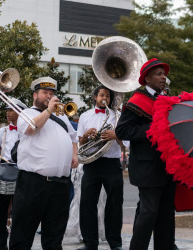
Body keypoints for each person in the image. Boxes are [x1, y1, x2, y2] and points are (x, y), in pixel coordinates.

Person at [9, 76, 79, 250]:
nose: (48, 96)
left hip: (60, 183)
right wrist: (48, 110)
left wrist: (75, 154)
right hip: (33, 182)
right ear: (35, 95)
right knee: (23, 233)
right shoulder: (26, 113)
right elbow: (31, 128)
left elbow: (73, 137)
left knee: (55, 235)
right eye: (44, 93)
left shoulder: (61, 117)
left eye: (51, 93)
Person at [115, 58, 177, 250]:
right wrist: (153, 128)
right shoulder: (137, 101)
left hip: (167, 165)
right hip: (146, 167)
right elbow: (122, 131)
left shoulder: (165, 99)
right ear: (147, 78)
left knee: (166, 212)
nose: (163, 77)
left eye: (164, 74)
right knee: (149, 212)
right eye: (158, 74)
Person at [77, 85, 124, 250]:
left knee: (115, 204)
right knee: (87, 203)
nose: (105, 98)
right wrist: (86, 136)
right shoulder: (85, 116)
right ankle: (90, 243)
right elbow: (80, 143)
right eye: (102, 95)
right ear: (95, 97)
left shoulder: (118, 116)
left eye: (108, 96)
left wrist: (116, 135)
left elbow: (126, 143)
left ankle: (115, 243)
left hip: (111, 163)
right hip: (91, 164)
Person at [0, 98, 27, 250]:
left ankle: (17, 244)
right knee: (0, 210)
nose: (7, 113)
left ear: (19, 112)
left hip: (22, 171)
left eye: (10, 110)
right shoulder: (3, 130)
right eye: (7, 110)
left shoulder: (26, 130)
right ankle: (0, 244)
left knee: (19, 210)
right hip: (5, 171)